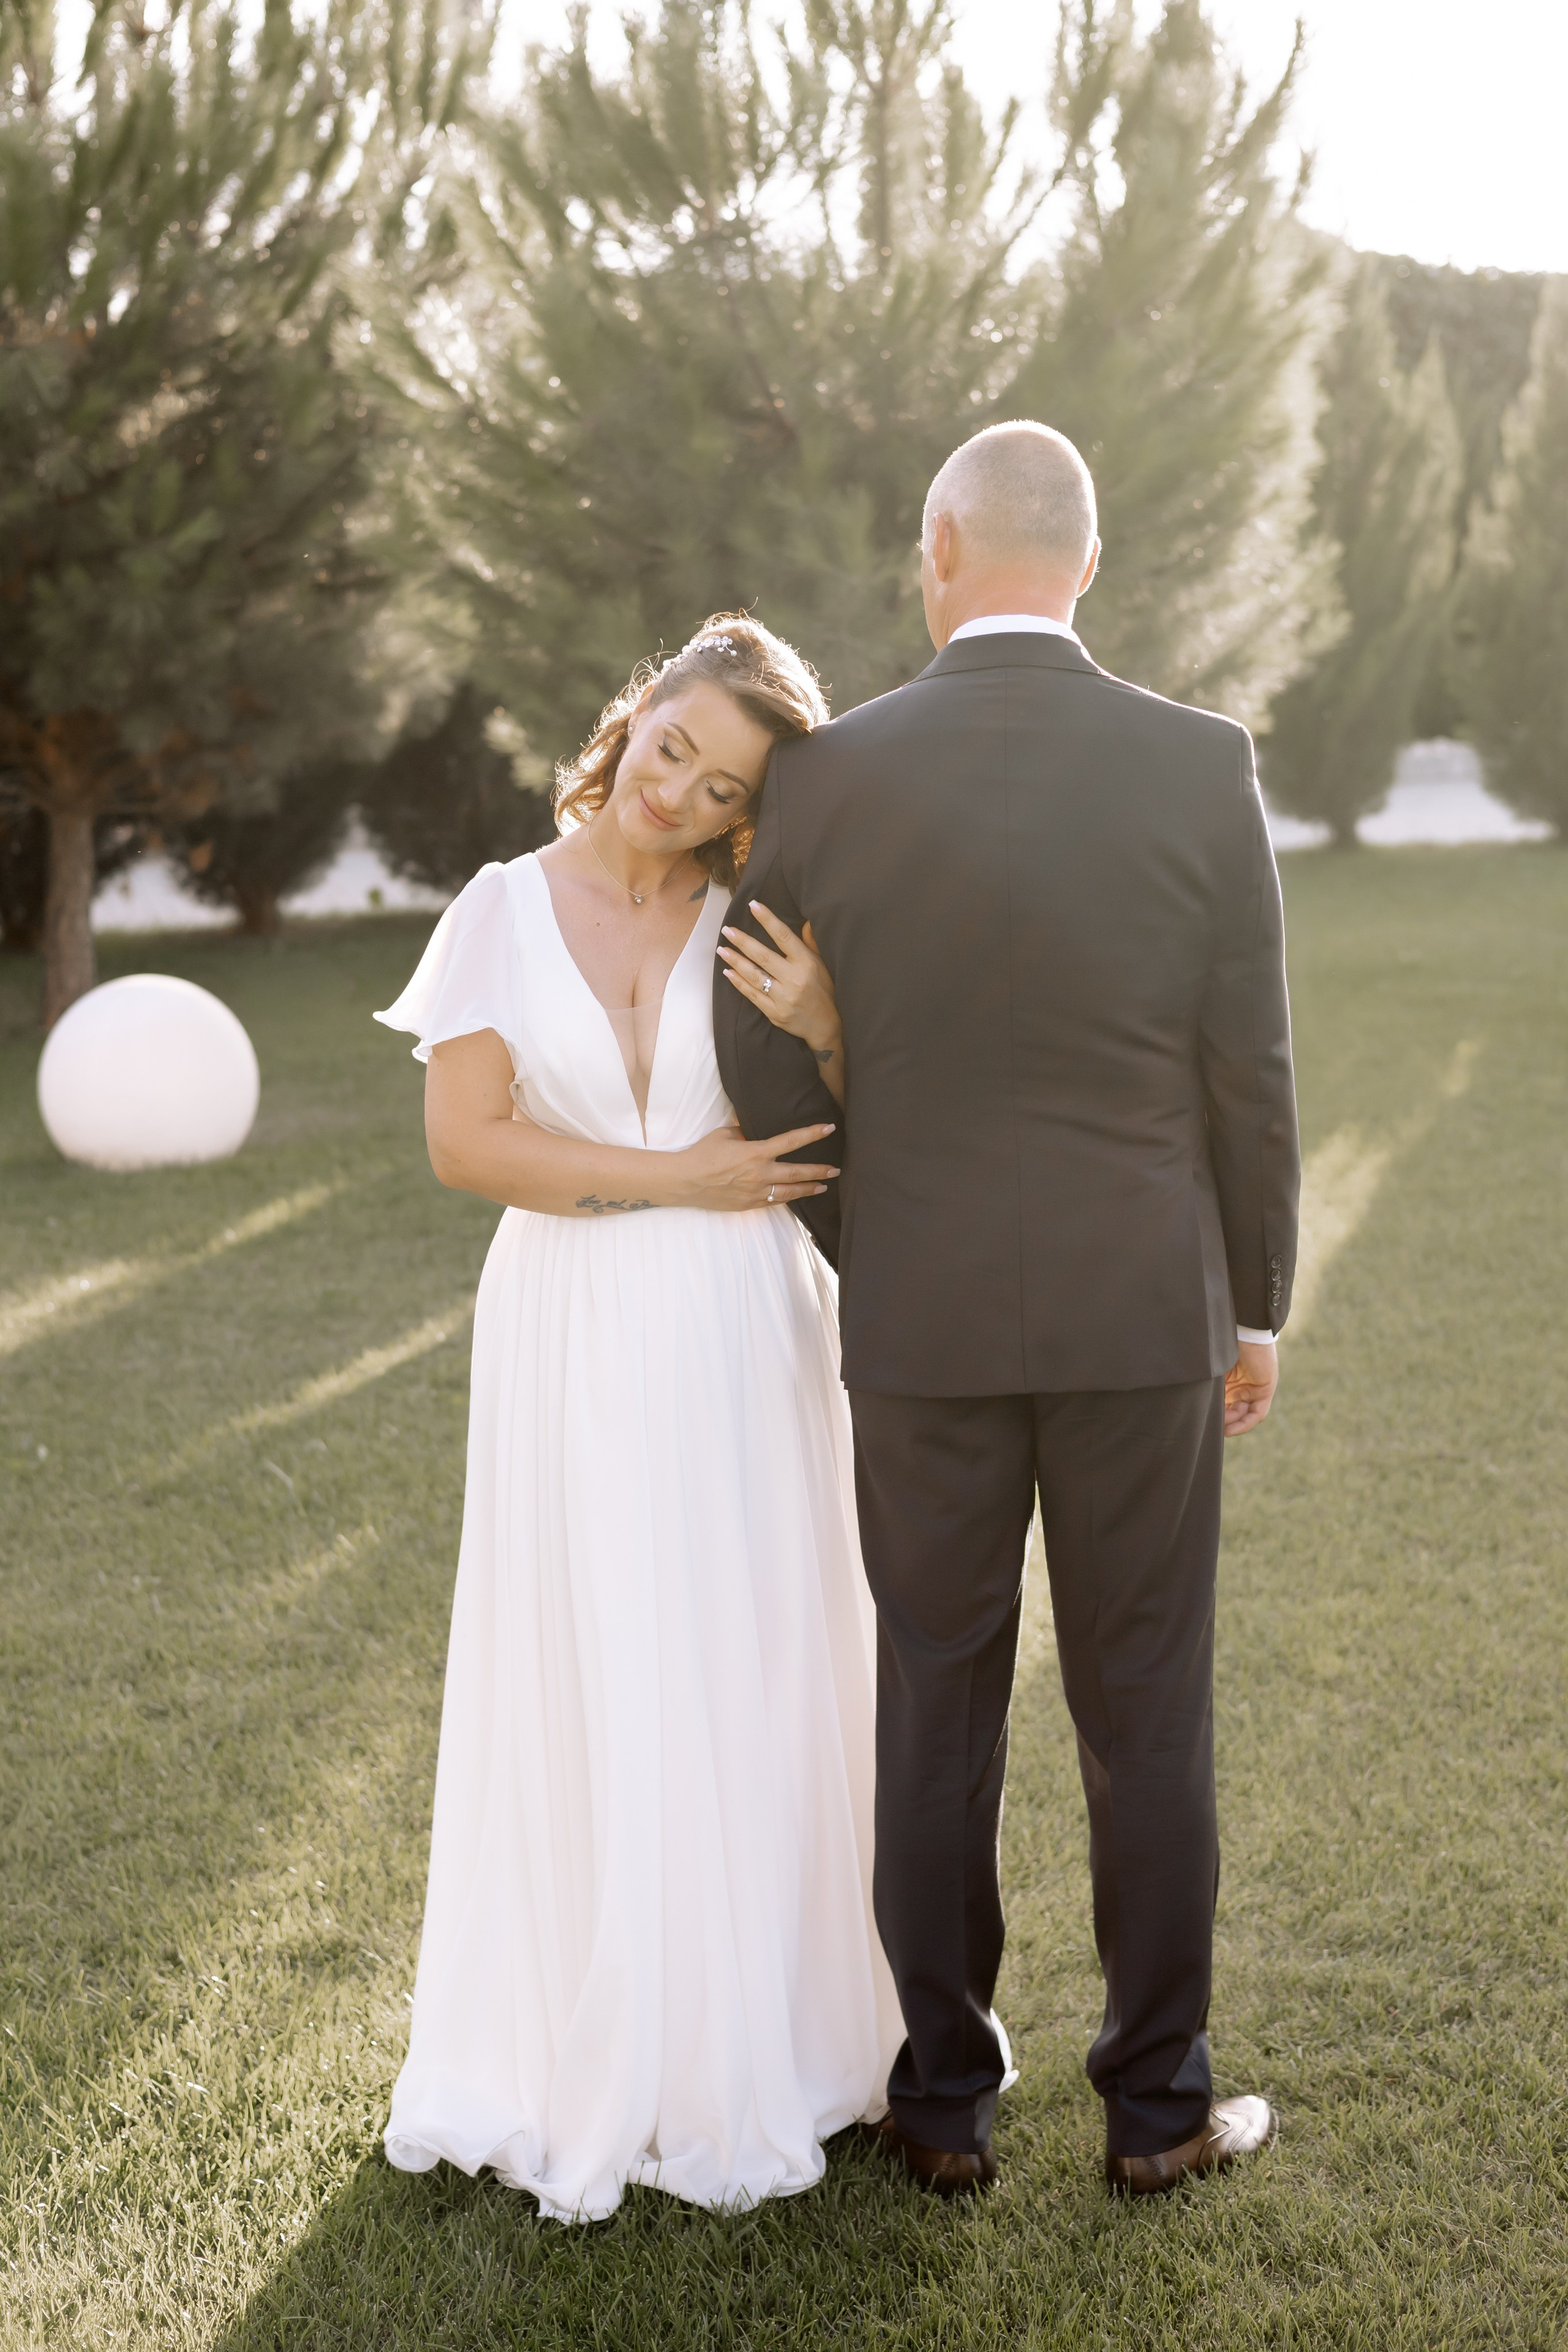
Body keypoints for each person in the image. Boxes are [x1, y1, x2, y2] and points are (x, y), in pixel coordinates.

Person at [716, 421, 1301, 2199]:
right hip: (1148, 1316)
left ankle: (945, 2101)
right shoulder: (1203, 763)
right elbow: (1249, 1072)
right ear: (1092, 563)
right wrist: (1253, 1305)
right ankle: (1156, 2108)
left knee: (936, 1699)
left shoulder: (829, 776)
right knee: (1147, 1712)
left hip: (923, 1316)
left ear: (939, 552)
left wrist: (874, 1237)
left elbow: (756, 1045)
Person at [374, 616, 903, 2225]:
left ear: (751, 807)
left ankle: (782, 2035)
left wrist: (823, 1026)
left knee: (748, 1648)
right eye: (671, 743)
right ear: (639, 712)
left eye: (718, 781)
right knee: (593, 1651)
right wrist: (679, 1178)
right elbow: (467, 1146)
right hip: (569, 1322)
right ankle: (578, 2036)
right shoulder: (498, 911)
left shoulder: (761, 917)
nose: (672, 790)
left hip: (746, 1327)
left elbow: (869, 1115)